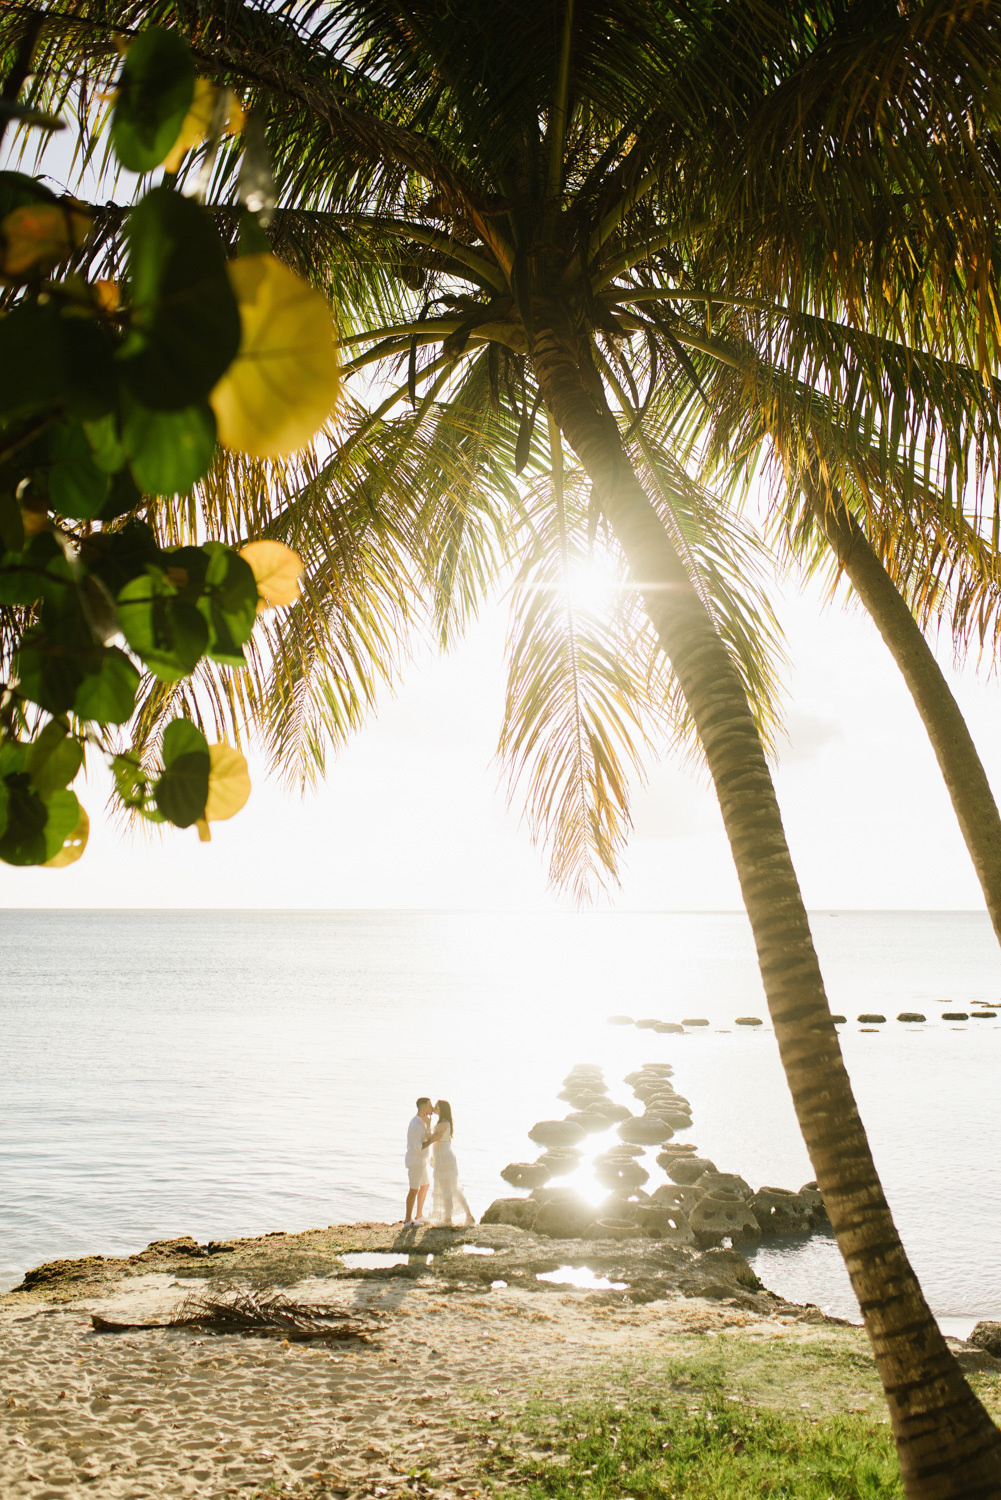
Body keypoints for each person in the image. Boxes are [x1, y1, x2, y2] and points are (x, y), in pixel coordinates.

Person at [429, 1099, 475, 1227]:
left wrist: (427, 1126)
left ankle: (448, 1218)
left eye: (437, 1107)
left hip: (444, 1157)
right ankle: (468, 1215)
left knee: (447, 1189)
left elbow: (432, 1139)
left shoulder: (443, 1124)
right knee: (453, 1188)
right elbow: (446, 1142)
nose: (434, 1108)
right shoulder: (446, 1123)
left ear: (442, 1109)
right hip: (445, 1155)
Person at [404, 1097, 434, 1226]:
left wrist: (428, 1125)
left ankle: (419, 1215)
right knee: (413, 1190)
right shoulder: (416, 1124)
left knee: (425, 1185)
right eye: (430, 1106)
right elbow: (417, 1146)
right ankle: (407, 1220)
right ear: (423, 1108)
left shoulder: (423, 1122)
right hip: (415, 1161)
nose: (432, 1108)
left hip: (421, 1161)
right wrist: (432, 1141)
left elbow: (426, 1136)